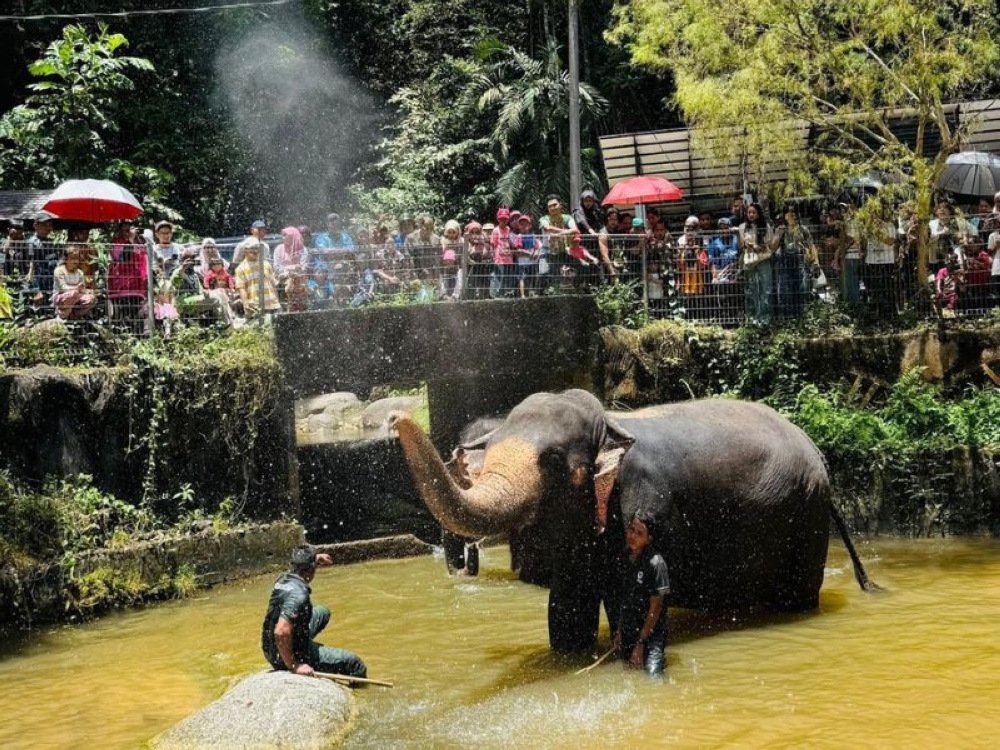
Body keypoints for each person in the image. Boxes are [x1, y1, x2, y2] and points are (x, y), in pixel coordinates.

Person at [261, 545, 367, 678]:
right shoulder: (299, 595)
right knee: (355, 664)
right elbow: (281, 632)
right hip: (287, 654)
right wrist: (294, 665)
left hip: (270, 647)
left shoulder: (282, 580)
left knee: (323, 612)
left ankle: (302, 644)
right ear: (311, 569)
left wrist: (317, 558)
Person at [614, 510, 669, 677]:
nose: (632, 536)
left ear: (649, 539)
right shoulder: (625, 558)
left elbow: (656, 608)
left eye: (639, 533)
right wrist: (619, 631)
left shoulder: (656, 564)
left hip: (651, 637)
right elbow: (625, 598)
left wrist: (641, 642)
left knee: (653, 680)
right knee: (628, 678)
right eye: (631, 530)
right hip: (630, 631)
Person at [235, 239, 281, 320]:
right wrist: (246, 305)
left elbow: (273, 285)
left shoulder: (266, 264)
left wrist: (277, 302)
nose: (256, 250)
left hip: (272, 304)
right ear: (245, 250)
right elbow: (242, 289)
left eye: (257, 248)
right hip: (255, 305)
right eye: (252, 248)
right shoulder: (240, 268)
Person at [52, 248, 97, 320]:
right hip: (60, 297)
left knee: (92, 298)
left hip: (76, 297)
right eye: (72, 258)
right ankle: (62, 315)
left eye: (77, 258)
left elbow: (82, 290)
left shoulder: (80, 273)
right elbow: (63, 288)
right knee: (73, 293)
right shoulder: (59, 270)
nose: (75, 260)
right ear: (66, 259)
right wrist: (76, 288)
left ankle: (75, 315)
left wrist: (88, 291)